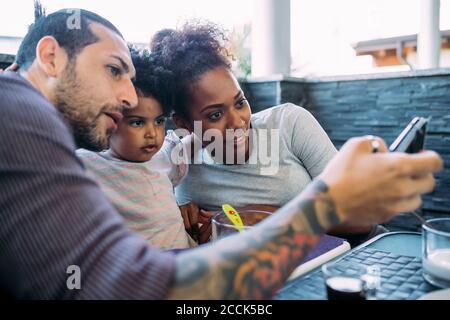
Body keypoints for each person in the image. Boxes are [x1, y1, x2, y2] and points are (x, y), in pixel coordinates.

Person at [0, 6, 442, 299]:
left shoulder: (33, 128)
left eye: (240, 102)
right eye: (114, 71)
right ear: (50, 57)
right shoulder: (19, 108)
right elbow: (132, 278)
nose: (127, 96)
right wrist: (319, 206)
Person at [150, 23, 385, 245]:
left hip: (361, 253)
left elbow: (362, 218)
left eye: (240, 102)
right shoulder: (181, 167)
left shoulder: (289, 124)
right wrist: (179, 219)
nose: (238, 122)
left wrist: (269, 217)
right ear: (185, 124)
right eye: (215, 115)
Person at [76, 46, 211, 248]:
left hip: (185, 262)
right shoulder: (86, 165)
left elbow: (196, 139)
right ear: (109, 121)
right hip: (138, 271)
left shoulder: (165, 156)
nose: (152, 133)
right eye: (137, 123)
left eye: (159, 121)